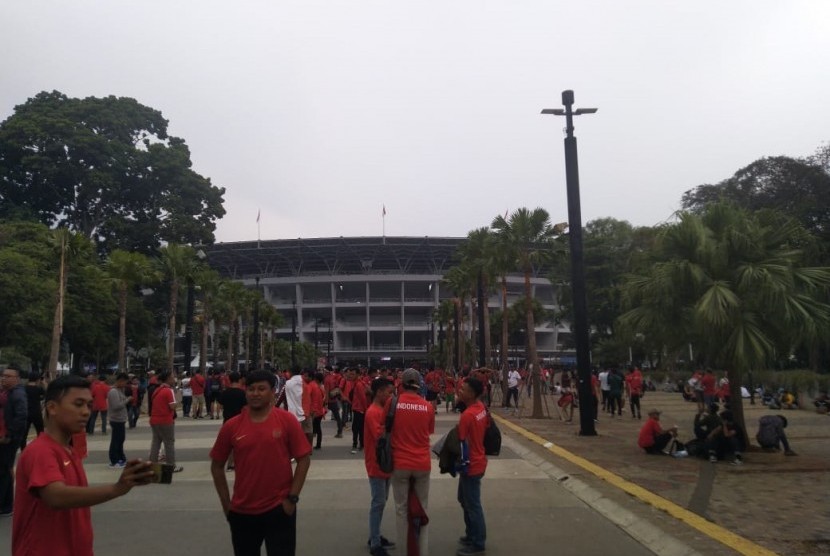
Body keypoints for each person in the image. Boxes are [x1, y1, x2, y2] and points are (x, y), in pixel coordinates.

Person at [12, 375, 154, 555]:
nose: (86, 412)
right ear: (52, 408)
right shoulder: (41, 451)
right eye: (78, 404)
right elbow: (55, 496)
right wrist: (118, 488)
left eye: (88, 405)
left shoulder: (69, 451)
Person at [210, 370, 312, 556]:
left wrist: (292, 498)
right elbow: (216, 466)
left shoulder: (286, 420)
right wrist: (227, 505)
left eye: (261, 389)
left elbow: (304, 459)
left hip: (279, 509)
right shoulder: (231, 426)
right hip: (242, 511)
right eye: (251, 389)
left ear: (273, 391)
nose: (255, 393)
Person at [390, 368, 435, 556]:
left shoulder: (393, 403)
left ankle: (403, 551)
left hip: (399, 463)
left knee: (401, 510)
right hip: (422, 463)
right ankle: (422, 551)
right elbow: (429, 431)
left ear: (402, 383)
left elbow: (386, 429)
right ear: (419, 384)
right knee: (423, 507)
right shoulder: (428, 407)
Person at [456, 377, 488, 556]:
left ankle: (478, 542)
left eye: (464, 389)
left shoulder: (468, 415)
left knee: (473, 504)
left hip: (471, 464)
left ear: (472, 394)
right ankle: (471, 534)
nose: (460, 391)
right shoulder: (480, 408)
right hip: (478, 460)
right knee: (464, 499)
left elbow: (461, 443)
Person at [364, 377, 396, 556]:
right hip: (377, 463)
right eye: (388, 392)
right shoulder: (373, 412)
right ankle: (375, 543)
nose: (391, 396)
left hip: (384, 463)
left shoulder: (381, 410)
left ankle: (375, 535)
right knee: (378, 502)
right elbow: (380, 436)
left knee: (381, 501)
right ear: (379, 393)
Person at [1, 365, 27, 516]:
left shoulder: (17, 394)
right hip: (7, 436)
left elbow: (21, 416)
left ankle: (6, 506)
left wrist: (9, 435)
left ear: (16, 379)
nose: (4, 378)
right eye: (3, 375)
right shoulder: (9, 392)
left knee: (4, 471)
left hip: (9, 439)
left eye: (8, 376)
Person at [148, 371, 182, 473]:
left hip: (154, 419)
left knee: (156, 443)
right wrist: (178, 402)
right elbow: (172, 406)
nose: (174, 379)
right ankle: (171, 466)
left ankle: (152, 465)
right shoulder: (168, 390)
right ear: (167, 379)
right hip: (165, 420)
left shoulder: (157, 390)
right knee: (169, 443)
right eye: (172, 377)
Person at [107, 373, 131, 468]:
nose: (125, 384)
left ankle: (121, 458)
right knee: (116, 440)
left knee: (120, 439)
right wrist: (127, 400)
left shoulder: (120, 390)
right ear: (120, 380)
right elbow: (116, 406)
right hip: (116, 419)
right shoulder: (113, 392)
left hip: (120, 419)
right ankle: (114, 460)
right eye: (125, 382)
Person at [22, 372, 46, 450]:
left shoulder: (24, 388)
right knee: (40, 432)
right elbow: (47, 394)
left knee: (24, 434)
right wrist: (44, 383)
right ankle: (41, 448)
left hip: (26, 412)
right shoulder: (39, 389)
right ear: (37, 379)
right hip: (36, 412)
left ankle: (23, 450)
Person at [309, 372, 325, 450]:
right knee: (317, 428)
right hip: (320, 410)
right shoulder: (320, 387)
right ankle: (318, 444)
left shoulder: (312, 386)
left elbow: (313, 400)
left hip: (315, 411)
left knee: (312, 429)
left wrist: (313, 411)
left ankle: (312, 445)